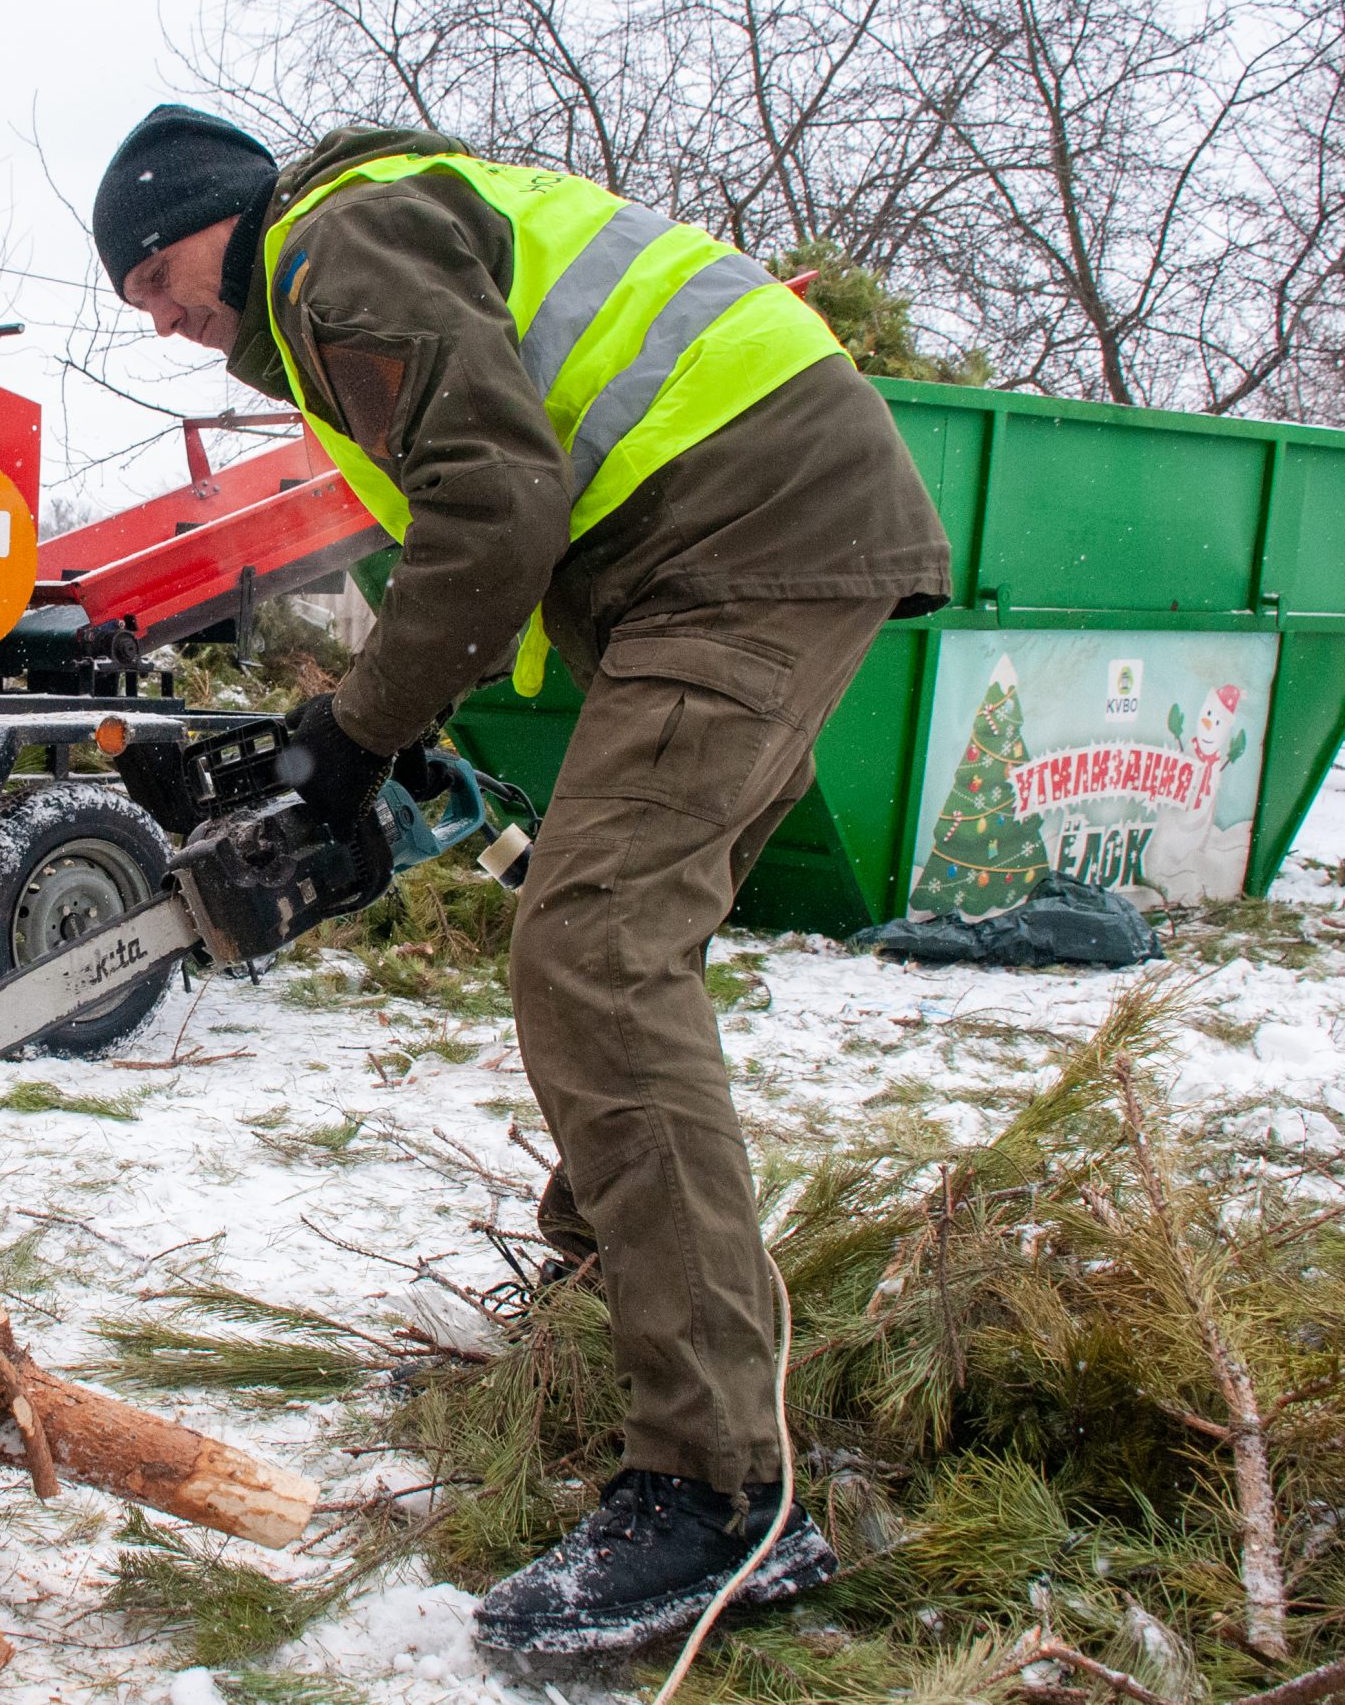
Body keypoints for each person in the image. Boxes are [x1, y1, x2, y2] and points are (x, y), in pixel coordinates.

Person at [91, 105, 950, 1653]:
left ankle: (717, 1493)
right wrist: (371, 740)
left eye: (155, 270)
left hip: (743, 537)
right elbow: (488, 538)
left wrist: (349, 737)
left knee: (593, 955)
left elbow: (497, 512)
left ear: (224, 213)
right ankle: (601, 1322)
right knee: (603, 944)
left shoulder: (334, 250)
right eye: (136, 296)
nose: (154, 312)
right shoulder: (360, 273)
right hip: (728, 540)